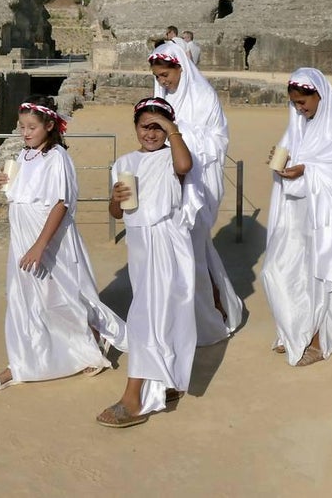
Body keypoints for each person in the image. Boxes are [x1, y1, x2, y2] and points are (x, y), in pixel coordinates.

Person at [0, 96, 127, 392]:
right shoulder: (25, 156)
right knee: (23, 296)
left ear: (49, 126)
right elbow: (21, 194)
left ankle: (91, 340)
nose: (25, 132)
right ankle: (21, 361)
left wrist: (40, 245)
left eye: (32, 127)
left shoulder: (57, 157)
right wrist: (5, 183)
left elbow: (61, 203)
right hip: (22, 234)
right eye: (21, 126)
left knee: (63, 294)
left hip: (47, 237)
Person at [99, 97, 198, 428]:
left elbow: (185, 168)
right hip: (140, 247)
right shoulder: (125, 162)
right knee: (155, 314)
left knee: (145, 317)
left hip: (167, 243)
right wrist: (115, 201)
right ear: (135, 128)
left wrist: (172, 130)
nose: (151, 133)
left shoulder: (173, 156)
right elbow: (117, 213)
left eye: (158, 127)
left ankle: (135, 396)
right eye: (146, 126)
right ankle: (167, 381)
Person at [149, 40, 244, 344]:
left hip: (200, 180)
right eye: (158, 77)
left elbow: (216, 139)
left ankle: (215, 309)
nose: (163, 82)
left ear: (180, 68)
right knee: (189, 249)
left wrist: (175, 132)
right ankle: (203, 309)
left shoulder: (203, 96)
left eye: (166, 75)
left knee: (195, 247)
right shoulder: (164, 96)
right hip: (172, 180)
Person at [263, 69, 332, 366]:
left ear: (320, 96)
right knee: (277, 270)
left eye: (303, 102)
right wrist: (283, 163)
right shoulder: (297, 127)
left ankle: (319, 340)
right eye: (294, 103)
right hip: (294, 216)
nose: (299, 108)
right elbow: (292, 158)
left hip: (323, 216)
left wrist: (306, 169)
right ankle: (294, 329)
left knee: (318, 275)